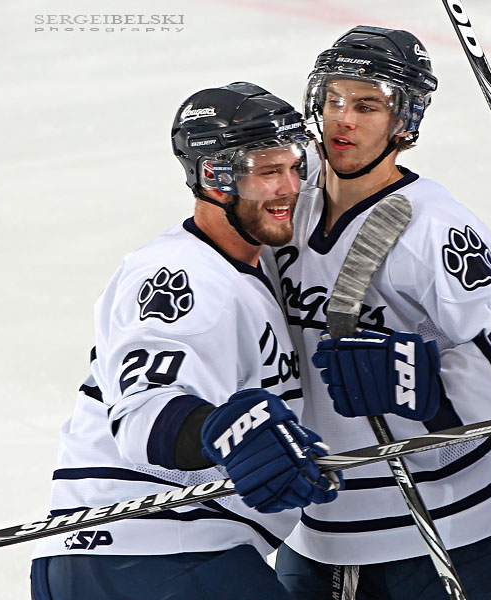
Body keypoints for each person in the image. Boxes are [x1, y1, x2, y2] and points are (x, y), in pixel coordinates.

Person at [263, 25, 491, 599]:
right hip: (316, 533)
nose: (342, 120)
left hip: (454, 528)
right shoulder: (284, 207)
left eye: (366, 105)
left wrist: (423, 384)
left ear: (405, 121)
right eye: (333, 100)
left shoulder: (436, 228)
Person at [30, 82, 341, 600]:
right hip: (147, 554)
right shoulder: (182, 275)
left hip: (159, 556)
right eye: (269, 172)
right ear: (215, 179)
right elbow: (144, 414)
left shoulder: (253, 259)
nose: (290, 187)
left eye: (295, 165)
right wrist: (225, 429)